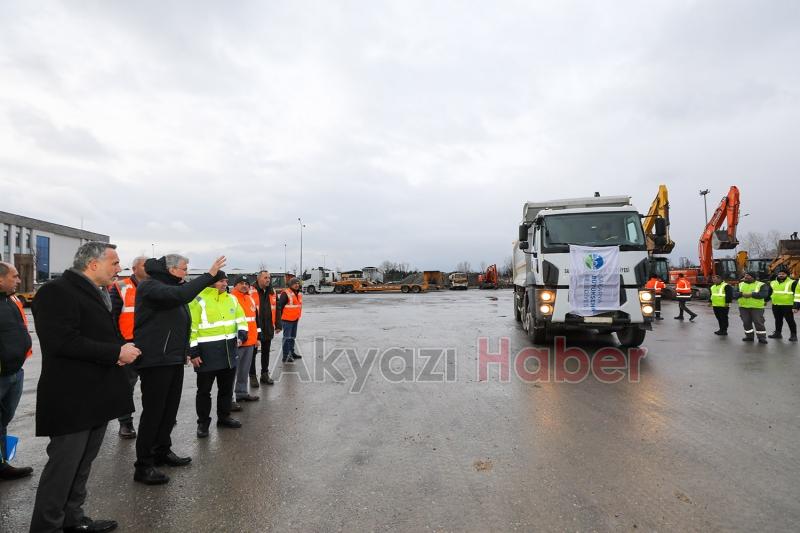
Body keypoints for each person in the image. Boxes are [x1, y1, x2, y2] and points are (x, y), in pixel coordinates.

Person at [30, 242, 140, 533]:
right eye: (114, 263)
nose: (119, 269)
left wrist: (118, 348)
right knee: (63, 469)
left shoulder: (97, 292)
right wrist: (115, 353)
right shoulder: (56, 292)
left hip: (96, 395)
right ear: (93, 264)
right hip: (71, 397)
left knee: (81, 467)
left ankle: (73, 519)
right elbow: (62, 341)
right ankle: (46, 527)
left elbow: (93, 335)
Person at [132, 254, 225, 485]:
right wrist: (209, 275)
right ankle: (143, 466)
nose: (185, 273)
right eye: (184, 269)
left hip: (172, 358)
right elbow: (181, 295)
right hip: (156, 359)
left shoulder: (170, 286)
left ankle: (162, 451)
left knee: (169, 410)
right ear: (171, 269)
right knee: (154, 413)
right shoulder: (151, 286)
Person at [189, 271, 248, 438]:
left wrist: (242, 334)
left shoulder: (232, 299)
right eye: (221, 281)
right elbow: (191, 328)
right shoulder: (199, 300)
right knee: (204, 391)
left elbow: (241, 320)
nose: (224, 284)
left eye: (226, 281)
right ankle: (203, 424)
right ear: (212, 282)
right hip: (206, 354)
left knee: (226, 389)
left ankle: (224, 417)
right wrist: (193, 352)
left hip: (228, 352)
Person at [0, 261, 33, 481]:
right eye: (14, 276)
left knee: (3, 420)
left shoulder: (11, 299)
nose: (19, 280)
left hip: (14, 371)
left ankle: (2, 463)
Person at [109, 256, 148, 439]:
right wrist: (119, 344)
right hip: (128, 344)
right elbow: (112, 317)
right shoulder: (120, 287)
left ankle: (154, 417)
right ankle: (125, 423)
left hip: (149, 344)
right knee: (127, 386)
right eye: (144, 265)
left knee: (152, 384)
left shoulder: (154, 286)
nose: (148, 267)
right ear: (134, 269)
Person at [231, 276, 260, 402]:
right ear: (235, 285)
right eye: (241, 283)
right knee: (232, 373)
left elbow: (255, 321)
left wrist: (257, 338)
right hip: (237, 342)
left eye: (247, 283)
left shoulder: (250, 299)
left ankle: (242, 393)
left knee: (244, 370)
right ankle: (229, 398)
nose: (244, 286)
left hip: (250, 342)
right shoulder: (231, 299)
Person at [250, 270, 277, 385]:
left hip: (268, 326)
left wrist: (278, 324)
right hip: (255, 326)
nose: (268, 280)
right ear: (258, 279)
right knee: (253, 353)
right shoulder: (251, 291)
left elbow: (277, 308)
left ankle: (264, 374)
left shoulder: (272, 291)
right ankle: (252, 376)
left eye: (269, 278)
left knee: (266, 352)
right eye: (265, 278)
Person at [735, 271, 769, 344]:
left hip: (757, 307)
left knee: (758, 322)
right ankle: (749, 337)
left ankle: (762, 338)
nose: (746, 277)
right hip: (743, 307)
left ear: (753, 277)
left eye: (748, 276)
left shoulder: (761, 284)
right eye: (745, 275)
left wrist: (751, 294)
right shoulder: (740, 284)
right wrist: (741, 294)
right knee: (746, 322)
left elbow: (763, 294)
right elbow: (734, 294)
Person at [277, 276, 303, 363]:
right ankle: (285, 356)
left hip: (295, 319)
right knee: (287, 338)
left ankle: (291, 353)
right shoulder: (286, 293)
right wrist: (279, 321)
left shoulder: (298, 293)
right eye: (295, 283)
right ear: (290, 285)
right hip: (287, 320)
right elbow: (280, 307)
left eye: (298, 283)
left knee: (292, 337)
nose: (297, 285)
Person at [768, 268, 797, 341]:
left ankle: (793, 335)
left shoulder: (792, 282)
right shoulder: (773, 282)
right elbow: (770, 293)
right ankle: (778, 333)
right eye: (780, 274)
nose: (781, 275)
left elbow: (797, 294)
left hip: (787, 305)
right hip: (776, 304)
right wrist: (765, 300)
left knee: (790, 320)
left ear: (787, 275)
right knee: (778, 320)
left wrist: (796, 306)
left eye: (783, 274)